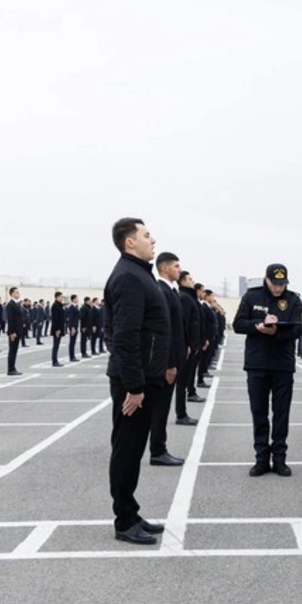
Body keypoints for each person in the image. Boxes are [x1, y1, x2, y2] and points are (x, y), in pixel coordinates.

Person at [104, 217, 170, 545]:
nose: (152, 239)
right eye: (146, 235)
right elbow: (124, 335)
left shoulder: (138, 274)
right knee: (127, 451)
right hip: (136, 383)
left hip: (144, 377)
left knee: (133, 450)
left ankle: (131, 512)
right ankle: (124, 520)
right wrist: (134, 386)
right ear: (130, 242)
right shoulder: (129, 277)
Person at [233, 263, 302, 477]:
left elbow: (298, 329)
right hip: (257, 364)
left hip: (282, 365)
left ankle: (280, 459)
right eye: (275, 284)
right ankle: (262, 458)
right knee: (259, 412)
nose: (278, 289)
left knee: (281, 414)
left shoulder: (293, 299)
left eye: (282, 284)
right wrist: (258, 325)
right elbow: (238, 324)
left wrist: (276, 333)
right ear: (266, 279)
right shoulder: (251, 297)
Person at [148, 252, 187, 466]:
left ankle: (159, 448)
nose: (179, 271)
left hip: (172, 359)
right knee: (161, 408)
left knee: (162, 406)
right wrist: (170, 363)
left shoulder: (170, 290)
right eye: (176, 266)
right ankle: (157, 450)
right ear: (164, 268)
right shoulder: (162, 291)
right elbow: (166, 330)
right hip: (166, 362)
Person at [174, 272, 203, 423]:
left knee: (184, 381)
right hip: (187, 347)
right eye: (190, 279)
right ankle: (181, 414)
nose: (193, 281)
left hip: (193, 345)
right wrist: (187, 345)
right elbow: (184, 323)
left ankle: (182, 412)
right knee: (182, 382)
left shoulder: (190, 297)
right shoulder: (184, 298)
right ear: (183, 282)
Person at [5, 287, 25, 376]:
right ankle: (10, 369)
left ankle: (13, 367)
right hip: (14, 331)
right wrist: (12, 332)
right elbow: (11, 320)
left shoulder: (17, 304)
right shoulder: (11, 305)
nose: (18, 294)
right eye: (16, 292)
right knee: (12, 350)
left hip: (18, 331)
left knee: (15, 350)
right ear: (12, 294)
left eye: (18, 292)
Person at [50, 291, 66, 367]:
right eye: (61, 297)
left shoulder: (60, 305)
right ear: (57, 297)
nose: (62, 298)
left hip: (59, 328)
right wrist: (57, 329)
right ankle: (54, 361)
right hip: (57, 329)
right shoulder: (55, 306)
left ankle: (55, 360)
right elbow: (55, 319)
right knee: (55, 345)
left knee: (57, 345)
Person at [66, 294, 81, 363]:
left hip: (75, 326)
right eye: (77, 298)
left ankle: (73, 356)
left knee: (73, 342)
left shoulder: (75, 307)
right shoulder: (72, 307)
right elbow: (71, 319)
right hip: (73, 327)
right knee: (72, 342)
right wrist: (72, 328)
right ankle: (71, 356)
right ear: (73, 299)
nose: (78, 299)